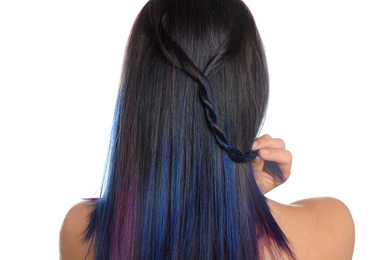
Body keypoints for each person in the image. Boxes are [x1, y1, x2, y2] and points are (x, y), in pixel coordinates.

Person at [59, 0, 355, 259]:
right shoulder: (331, 229)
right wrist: (244, 191)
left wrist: (235, 191)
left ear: (139, 96)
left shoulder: (82, 234)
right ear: (251, 91)